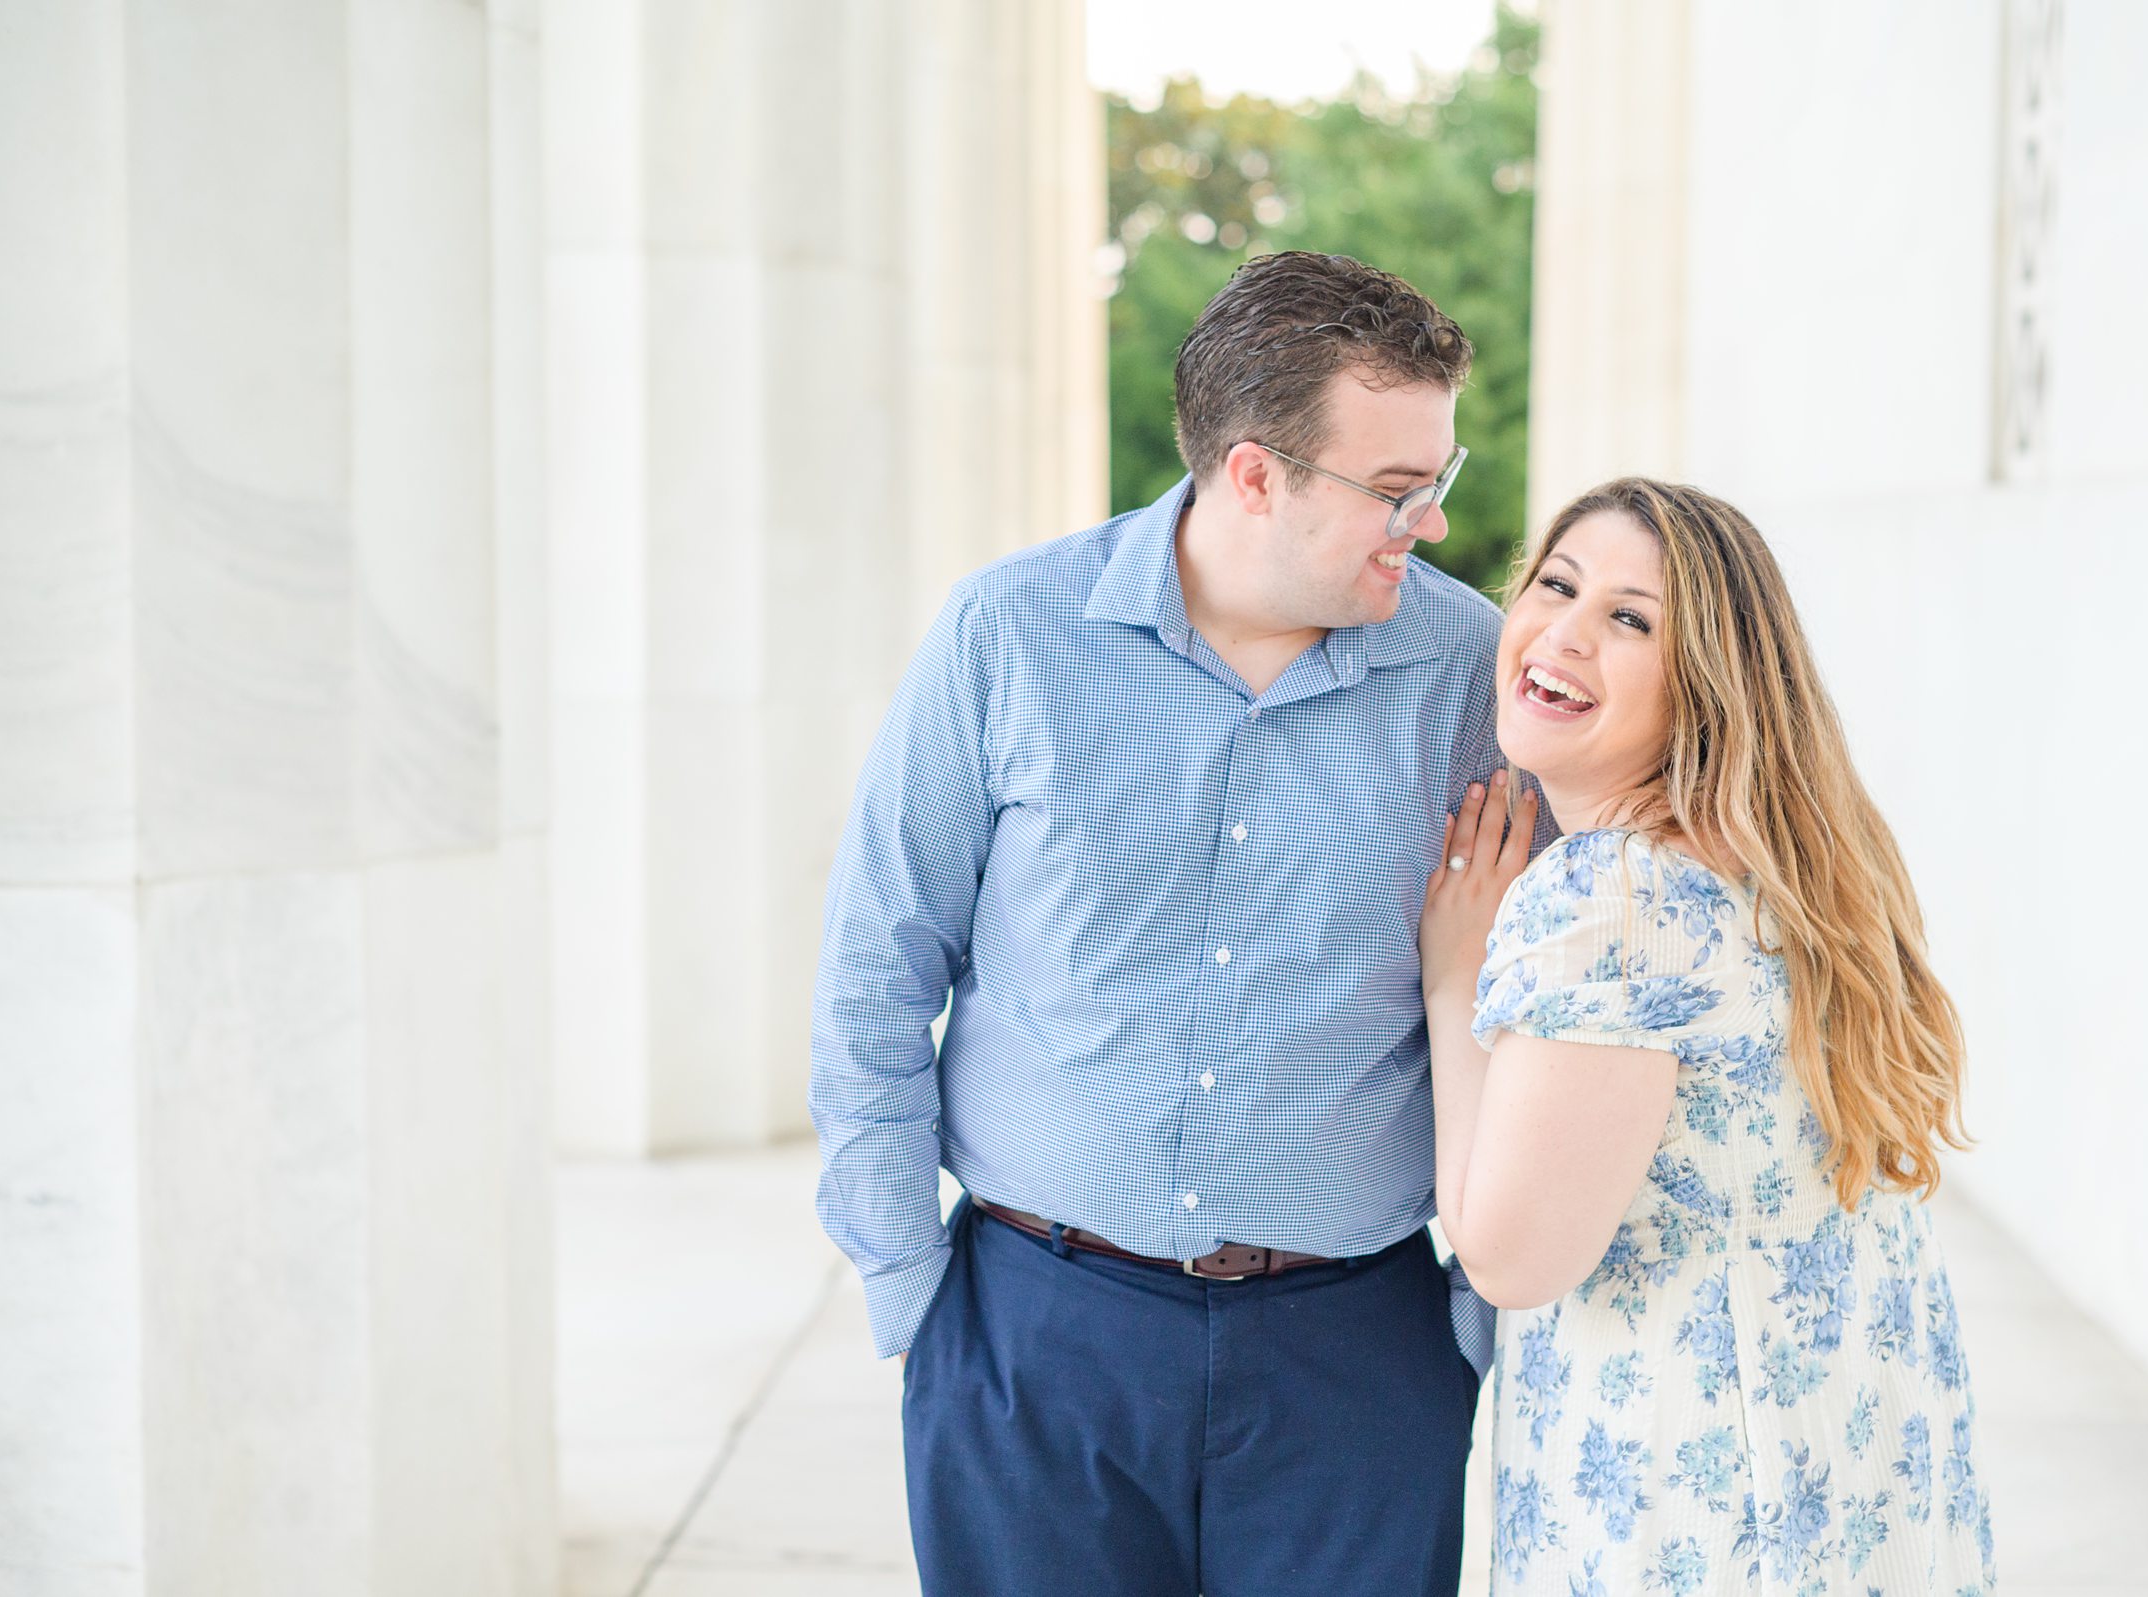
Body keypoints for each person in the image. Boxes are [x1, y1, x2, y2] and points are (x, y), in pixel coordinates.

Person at [809, 251, 1533, 1596]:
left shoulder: (1470, 681)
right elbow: (877, 965)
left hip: (1356, 1362)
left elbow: (1537, 1010)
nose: (1429, 523)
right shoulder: (1006, 636)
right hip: (1034, 1341)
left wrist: (1472, 1331)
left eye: (1443, 476)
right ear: (1254, 475)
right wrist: (912, 1288)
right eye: (1394, 490)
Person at [1419, 479, 1996, 1593]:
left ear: (1704, 690)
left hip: (1690, 1495)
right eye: (1558, 583)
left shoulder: (1613, 902)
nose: (1566, 632)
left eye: (1631, 619)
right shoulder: (1796, 871)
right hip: (1855, 1472)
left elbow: (1509, 1255)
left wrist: (1457, 979)